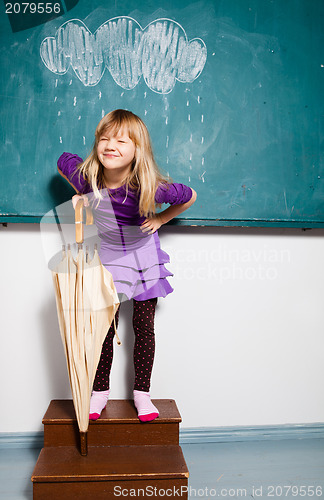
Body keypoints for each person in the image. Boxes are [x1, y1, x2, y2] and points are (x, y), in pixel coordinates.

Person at [57, 109, 196, 423]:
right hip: (107, 256)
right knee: (105, 326)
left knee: (144, 327)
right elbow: (64, 159)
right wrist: (80, 191)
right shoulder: (87, 177)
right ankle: (99, 391)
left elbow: (190, 196)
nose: (110, 145)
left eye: (121, 140)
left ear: (137, 150)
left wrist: (160, 218)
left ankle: (142, 394)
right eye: (104, 139)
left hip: (142, 256)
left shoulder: (150, 186)